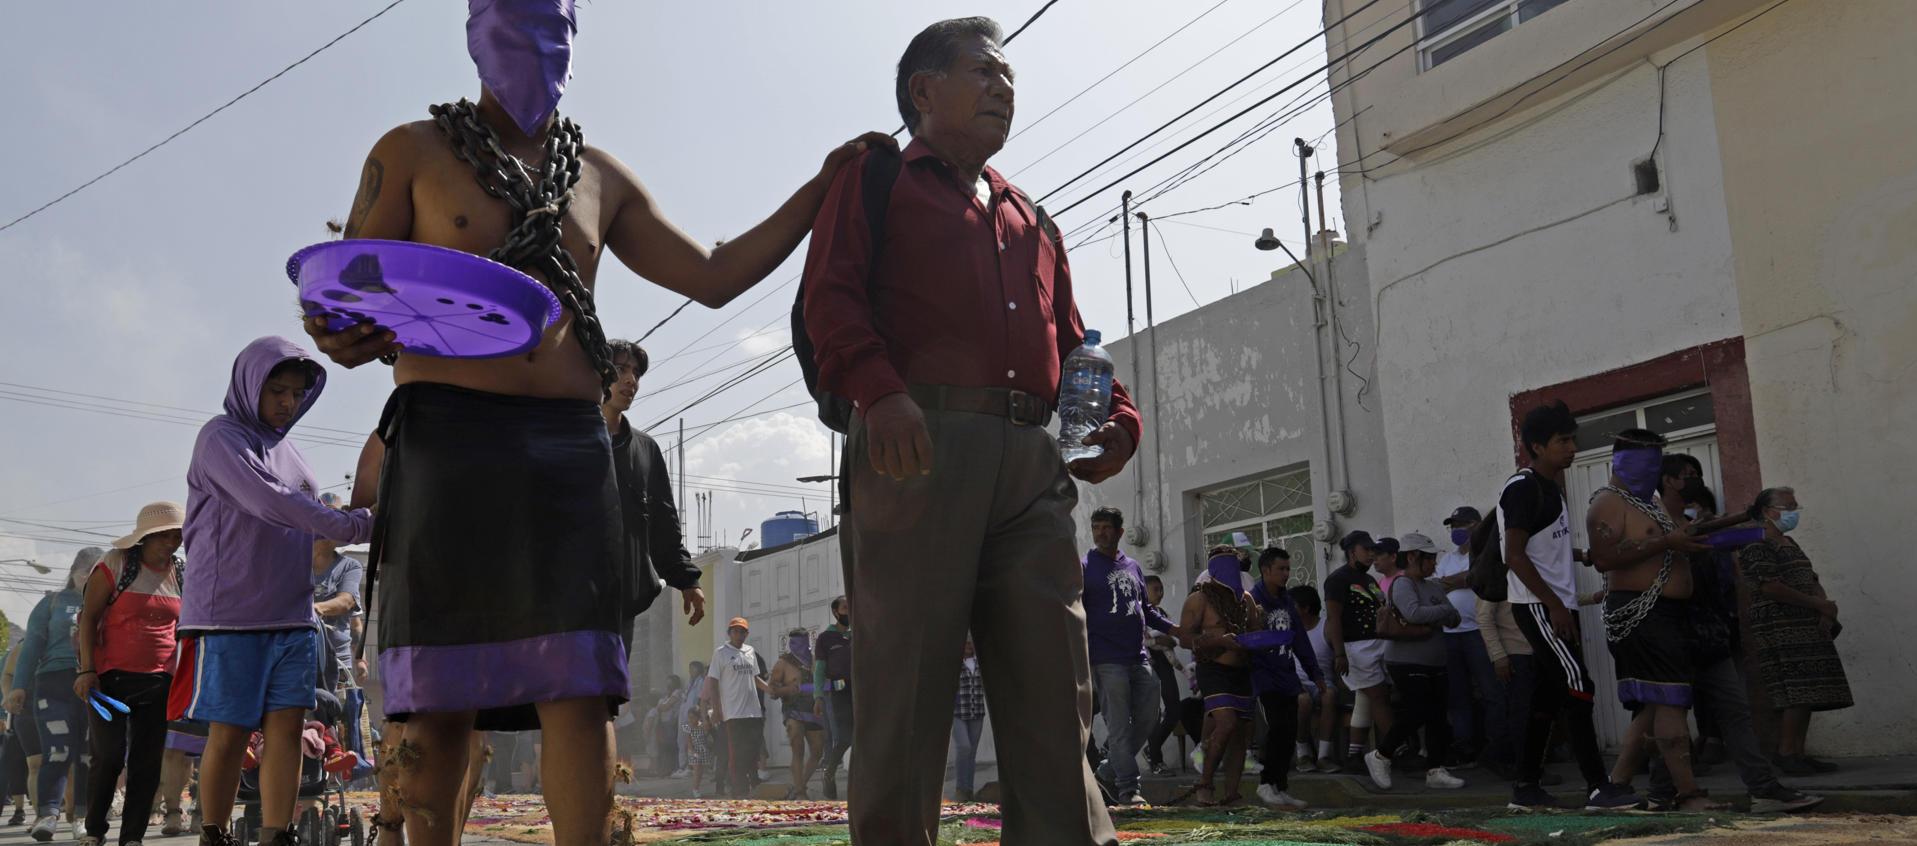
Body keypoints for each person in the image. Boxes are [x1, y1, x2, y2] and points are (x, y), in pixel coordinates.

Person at [301, 4, 888, 843]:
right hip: (448, 443)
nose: (536, 44)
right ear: (475, 33)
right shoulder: (411, 152)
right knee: (438, 699)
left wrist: (821, 186)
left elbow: (712, 275)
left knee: (578, 690)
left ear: (574, 42)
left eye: (555, 25)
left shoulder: (597, 177)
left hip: (568, 452)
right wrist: (336, 328)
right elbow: (347, 288)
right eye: (514, 21)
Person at [800, 13, 1143, 842]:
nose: (1003, 87)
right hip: (913, 446)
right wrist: (879, 393)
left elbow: (1072, 341)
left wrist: (1118, 416)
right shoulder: (877, 177)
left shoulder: (1031, 216)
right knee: (906, 689)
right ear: (923, 91)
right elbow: (829, 297)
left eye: (1009, 77)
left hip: (1029, 461)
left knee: (1054, 686)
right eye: (983, 72)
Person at [178, 338, 376, 846]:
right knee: (231, 730)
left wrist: (358, 518)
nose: (287, 402)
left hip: (293, 612)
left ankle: (277, 833)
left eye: (296, 393)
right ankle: (213, 832)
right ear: (249, 385)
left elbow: (302, 511)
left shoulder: (292, 452)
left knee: (288, 728)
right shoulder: (220, 438)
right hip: (231, 614)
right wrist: (355, 524)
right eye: (277, 390)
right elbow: (274, 502)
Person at [1640, 467, 1823, 813]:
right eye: (1685, 475)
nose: (1693, 481)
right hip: (1672, 632)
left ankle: (1762, 789)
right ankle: (1662, 791)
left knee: (1734, 712)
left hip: (1708, 631)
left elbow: (1712, 546)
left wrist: (1739, 524)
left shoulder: (1693, 523)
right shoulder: (1654, 524)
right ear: (1667, 482)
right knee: (1673, 719)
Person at [1501, 401, 1642, 810]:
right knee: (1578, 683)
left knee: (1547, 696)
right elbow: (1514, 556)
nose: (1572, 448)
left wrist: (1581, 556)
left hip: (1556, 604)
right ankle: (1598, 786)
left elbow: (1541, 548)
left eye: (1571, 440)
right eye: (1562, 441)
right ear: (1537, 446)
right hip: (1539, 605)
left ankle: (1525, 788)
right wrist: (1554, 606)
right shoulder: (1522, 488)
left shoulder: (1552, 488)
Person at [1585, 430, 1718, 810]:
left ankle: (1616, 785)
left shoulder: (1652, 503)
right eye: (1648, 462)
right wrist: (1667, 543)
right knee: (1670, 701)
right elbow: (1604, 559)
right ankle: (1687, 793)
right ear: (1624, 462)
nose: (1654, 470)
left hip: (1669, 613)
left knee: (1652, 708)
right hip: (1643, 615)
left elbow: (1666, 544)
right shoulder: (1607, 503)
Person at [73, 502, 185, 846]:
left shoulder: (180, 573)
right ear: (144, 537)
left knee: (146, 762)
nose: (171, 542)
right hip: (109, 678)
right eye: (163, 535)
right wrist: (87, 670)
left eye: (177, 535)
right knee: (108, 756)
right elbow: (88, 619)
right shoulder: (115, 564)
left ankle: (132, 837)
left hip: (160, 679)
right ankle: (95, 829)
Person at [1739, 486, 1851, 775]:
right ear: (1767, 511)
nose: (1793, 513)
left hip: (1807, 623)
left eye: (1795, 507)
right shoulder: (1757, 543)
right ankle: (1786, 752)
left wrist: (1824, 608)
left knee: (1810, 689)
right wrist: (1817, 604)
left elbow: (1811, 578)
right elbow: (1770, 587)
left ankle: (1799, 753)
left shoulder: (1788, 542)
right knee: (1795, 690)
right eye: (1788, 508)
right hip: (1780, 625)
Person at [601, 338, 707, 640]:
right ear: (597, 370)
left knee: (614, 673)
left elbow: (663, 525)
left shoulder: (645, 449)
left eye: (636, 373)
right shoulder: (569, 437)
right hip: (566, 606)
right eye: (621, 369)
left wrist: (688, 580)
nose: (631, 380)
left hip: (623, 606)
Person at [1080, 507, 1178, 805]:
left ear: (1120, 532)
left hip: (1138, 657)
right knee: (1119, 724)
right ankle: (1128, 789)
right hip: (1105, 659)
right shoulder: (1084, 567)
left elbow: (1145, 610)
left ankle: (1108, 770)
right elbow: (1073, 611)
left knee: (1150, 717)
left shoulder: (1132, 566)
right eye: (1096, 527)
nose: (1100, 533)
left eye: (1106, 527)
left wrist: (1175, 629)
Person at [9, 547, 104, 843]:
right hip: (53, 685)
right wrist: (18, 686)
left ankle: (82, 817)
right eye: (85, 570)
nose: (88, 576)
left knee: (87, 755)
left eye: (96, 572)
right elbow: (31, 646)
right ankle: (47, 814)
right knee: (57, 751)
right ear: (73, 571)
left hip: (94, 685)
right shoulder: (51, 603)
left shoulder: (110, 602)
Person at [1368, 533, 1467, 791]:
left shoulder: (1433, 587)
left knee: (1438, 716)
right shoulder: (1403, 583)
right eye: (1429, 558)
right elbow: (1413, 614)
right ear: (1412, 557)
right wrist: (1442, 612)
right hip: (1407, 661)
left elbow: (1455, 618)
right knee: (1418, 710)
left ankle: (1435, 769)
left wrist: (1438, 614)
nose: (1434, 563)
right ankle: (1381, 754)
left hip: (1435, 662)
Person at [1179, 549, 1265, 806]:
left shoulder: (1246, 600)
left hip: (1242, 670)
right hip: (1213, 669)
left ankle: (1232, 793)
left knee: (1240, 733)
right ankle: (1205, 784)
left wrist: (1261, 637)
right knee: (1226, 723)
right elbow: (1184, 638)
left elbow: (1255, 632)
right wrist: (1219, 640)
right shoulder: (1199, 599)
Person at [1247, 548, 1320, 809]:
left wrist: (1316, 674)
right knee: (1277, 728)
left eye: (1288, 569)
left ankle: (1280, 786)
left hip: (1287, 675)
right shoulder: (1252, 600)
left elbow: (1300, 640)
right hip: (1264, 675)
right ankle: (1266, 783)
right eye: (1281, 569)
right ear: (1266, 570)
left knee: (1290, 731)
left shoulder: (1288, 601)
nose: (1286, 574)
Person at [1322, 531, 1397, 769]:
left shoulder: (1370, 579)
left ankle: (1354, 756)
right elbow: (1333, 618)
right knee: (1378, 697)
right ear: (1352, 551)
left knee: (1366, 698)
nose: (1371, 554)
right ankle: (1397, 750)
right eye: (1367, 549)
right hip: (1355, 648)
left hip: (1379, 644)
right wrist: (1339, 653)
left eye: (1373, 550)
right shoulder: (1337, 579)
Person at [1436, 506, 1497, 767]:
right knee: (1458, 695)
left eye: (1461, 525)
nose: (1455, 531)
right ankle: (1464, 746)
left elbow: (1476, 577)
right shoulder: (1447, 559)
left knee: (1490, 690)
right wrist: (1462, 579)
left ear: (1476, 526)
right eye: (1453, 526)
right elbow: (1437, 587)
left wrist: (1461, 579)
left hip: (1477, 632)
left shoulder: (1484, 553)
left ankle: (1496, 746)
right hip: (1450, 635)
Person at [706, 620, 768, 799]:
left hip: (753, 712)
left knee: (753, 751)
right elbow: (713, 682)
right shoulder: (721, 653)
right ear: (729, 633)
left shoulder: (750, 652)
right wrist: (716, 710)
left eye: (742, 632)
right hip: (733, 713)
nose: (739, 635)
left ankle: (752, 785)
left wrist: (771, 689)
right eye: (735, 631)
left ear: (747, 634)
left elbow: (755, 678)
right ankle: (738, 791)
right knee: (736, 754)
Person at [767, 629, 825, 800]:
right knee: (797, 749)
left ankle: (800, 785)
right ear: (791, 643)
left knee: (817, 751)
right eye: (796, 642)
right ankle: (800, 792)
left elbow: (823, 683)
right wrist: (787, 689)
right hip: (793, 712)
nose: (801, 646)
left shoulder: (815, 660)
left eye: (803, 641)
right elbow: (772, 690)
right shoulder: (783, 663)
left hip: (814, 711)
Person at [1287, 585, 1339, 774]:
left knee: (1330, 695)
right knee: (1303, 700)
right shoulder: (1289, 630)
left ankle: (1324, 755)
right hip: (1296, 682)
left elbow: (1340, 657)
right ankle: (1303, 752)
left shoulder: (1326, 627)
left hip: (1323, 682)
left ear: (1305, 608)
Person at [1142, 575, 1186, 776]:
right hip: (1148, 663)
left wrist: (1165, 640)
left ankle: (1152, 748)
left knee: (1174, 709)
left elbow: (1172, 639)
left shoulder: (1161, 614)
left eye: (1161, 589)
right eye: (1155, 589)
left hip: (1165, 663)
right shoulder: (1138, 613)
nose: (1160, 593)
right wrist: (1158, 641)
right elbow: (1142, 640)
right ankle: (1156, 760)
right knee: (1153, 712)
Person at [809, 599, 852, 800]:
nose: (849, 611)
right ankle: (829, 772)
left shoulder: (858, 634)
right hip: (840, 691)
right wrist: (818, 696)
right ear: (836, 612)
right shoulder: (826, 638)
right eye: (845, 608)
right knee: (845, 737)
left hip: (862, 691)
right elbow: (819, 670)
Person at [310, 538, 363, 695]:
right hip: (299, 658)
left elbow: (347, 604)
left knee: (339, 705)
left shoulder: (349, 566)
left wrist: (360, 659)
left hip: (338, 661)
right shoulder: (294, 565)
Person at [951, 637, 988, 802]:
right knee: (963, 746)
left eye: (970, 642)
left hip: (977, 711)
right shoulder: (954, 663)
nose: (968, 645)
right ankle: (960, 788)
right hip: (958, 712)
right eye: (965, 642)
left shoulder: (980, 663)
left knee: (971, 752)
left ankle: (969, 790)